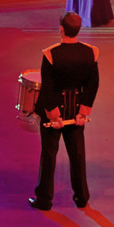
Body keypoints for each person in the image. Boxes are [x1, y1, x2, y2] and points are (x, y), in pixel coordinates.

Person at [29, 12, 99, 211]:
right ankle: (82, 197)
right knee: (77, 154)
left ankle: (44, 200)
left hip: (55, 114)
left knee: (49, 155)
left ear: (61, 30)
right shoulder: (90, 52)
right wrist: (82, 112)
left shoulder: (51, 54)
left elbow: (48, 88)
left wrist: (54, 115)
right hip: (76, 111)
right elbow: (93, 85)